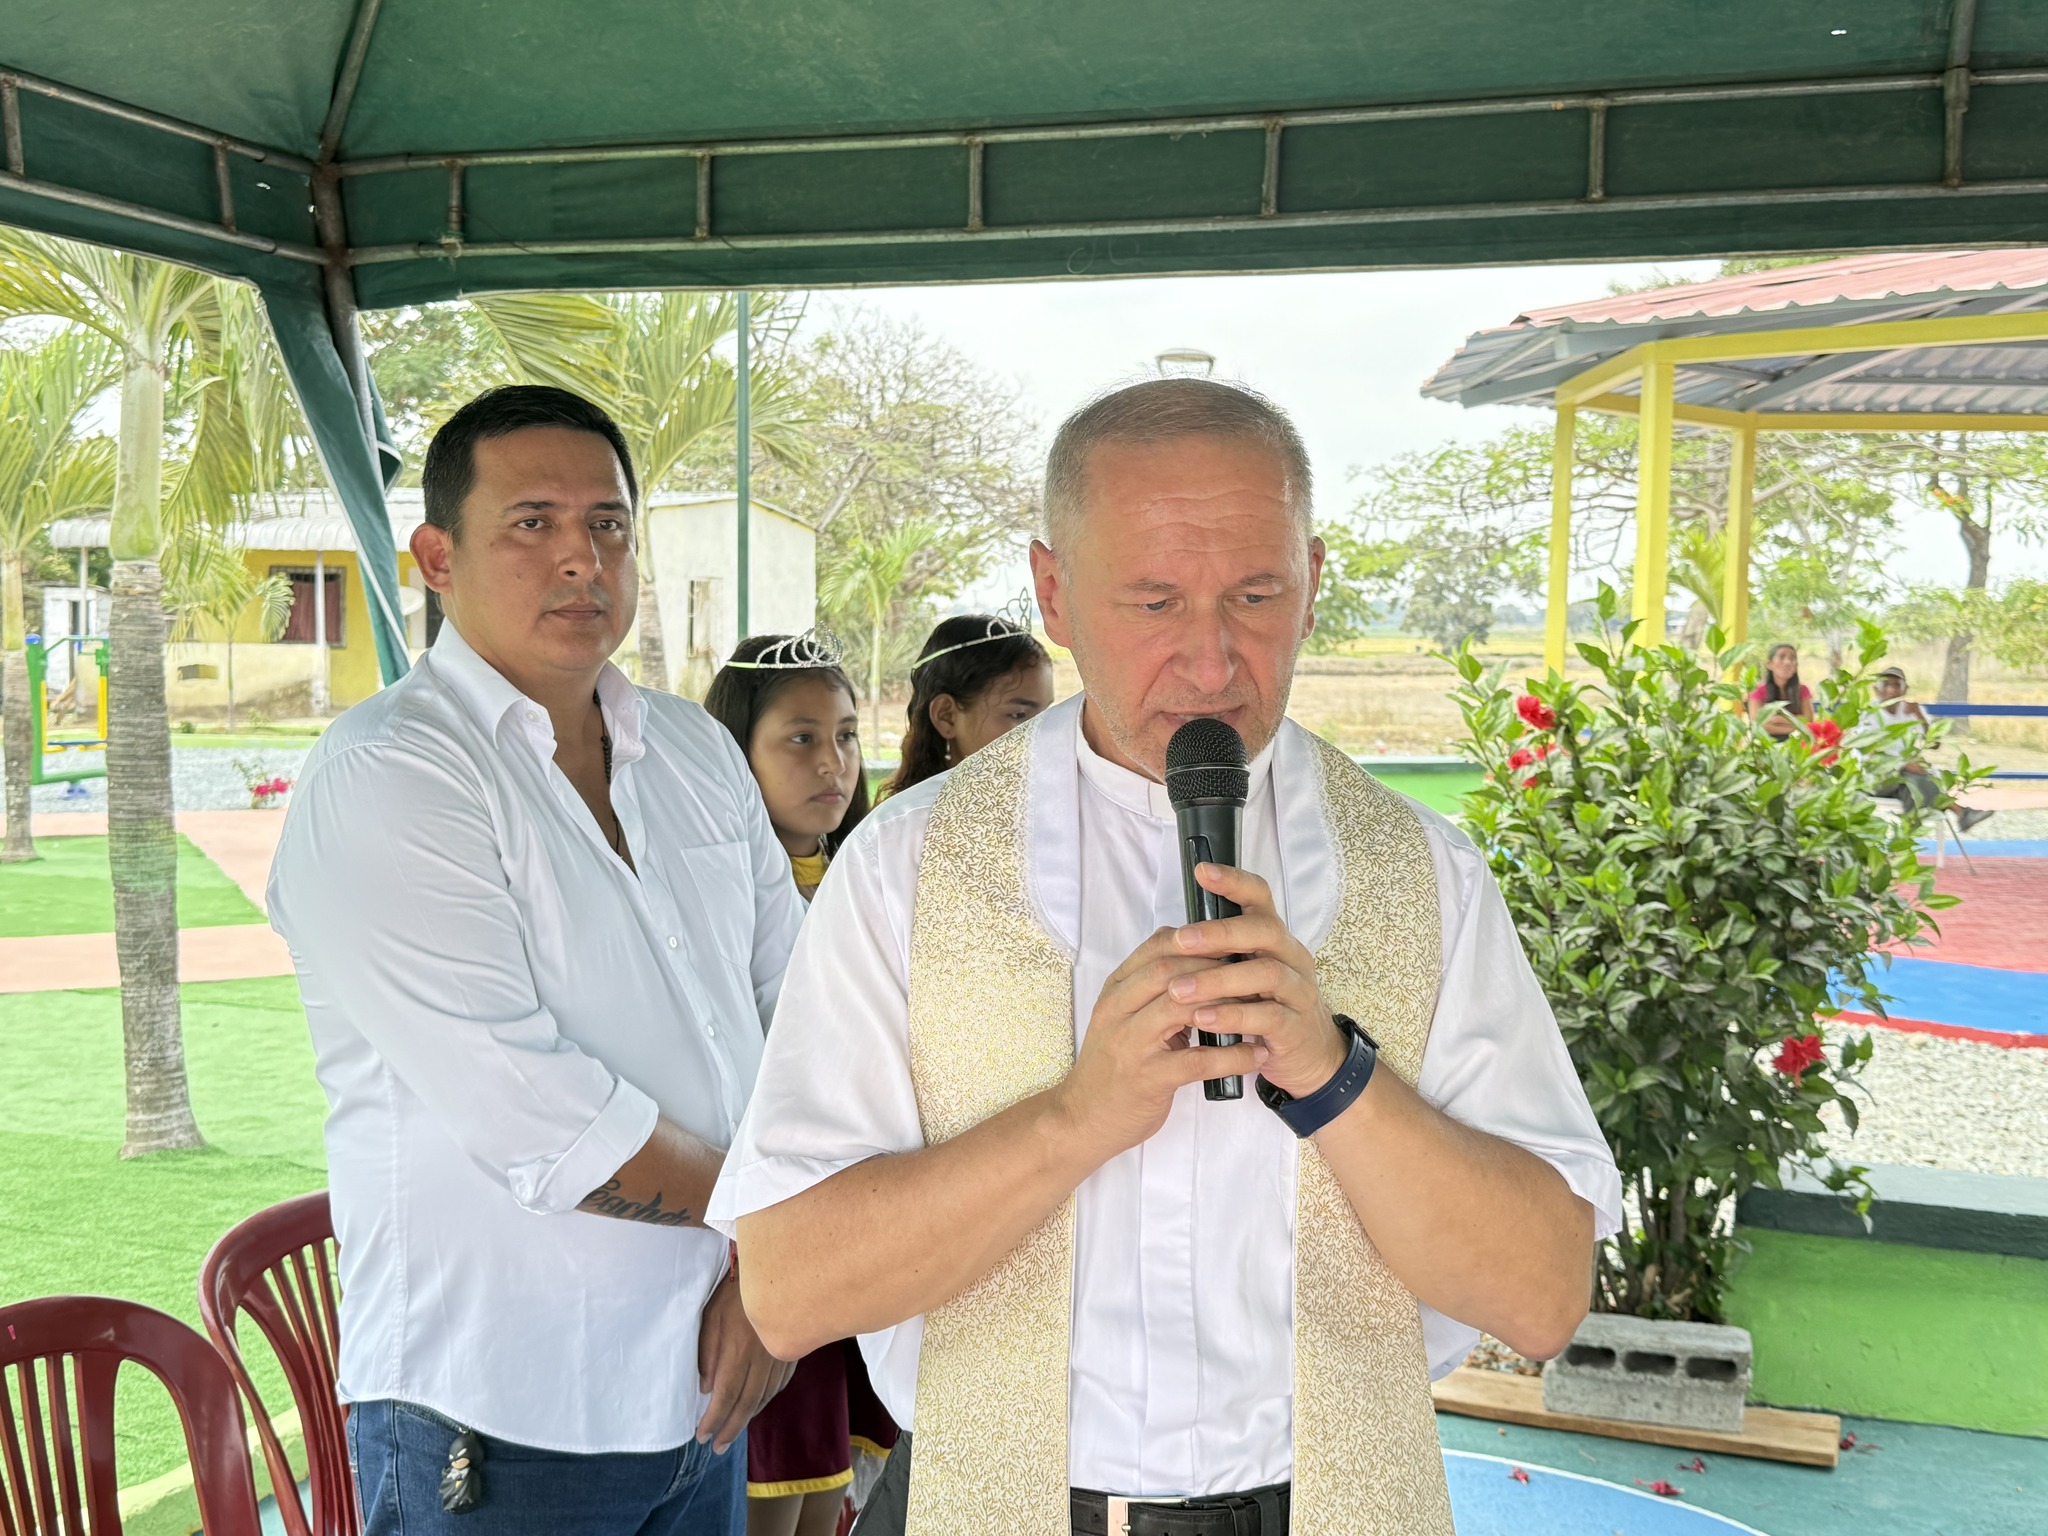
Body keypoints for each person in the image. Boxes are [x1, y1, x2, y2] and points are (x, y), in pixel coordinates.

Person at [709, 379, 1621, 1536]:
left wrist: (1334, 1076)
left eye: (1256, 595)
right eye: (1152, 602)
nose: (1210, 661)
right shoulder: (907, 867)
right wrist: (1075, 1120)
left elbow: (1542, 1301)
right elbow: (788, 1290)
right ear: (1053, 593)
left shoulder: (1417, 872)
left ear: (1312, 581)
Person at [269, 386, 800, 1536]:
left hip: (707, 1384)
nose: (580, 559)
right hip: (502, 1416)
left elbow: (798, 1020)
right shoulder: (392, 774)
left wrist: (770, 1281)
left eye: (607, 524)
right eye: (532, 523)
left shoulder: (694, 752)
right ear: (437, 559)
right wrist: (786, 1240)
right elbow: (538, 1120)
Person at [702, 634, 897, 1535]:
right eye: (801, 738)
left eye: (847, 735)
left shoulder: (874, 876)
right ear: (732, 753)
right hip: (763, 1236)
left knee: (829, 1491)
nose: (833, 763)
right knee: (773, 1487)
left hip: (855, 1228)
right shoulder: (719, 900)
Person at [881, 613, 1056, 798]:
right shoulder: (914, 814)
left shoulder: (1051, 802)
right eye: (1019, 715)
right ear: (947, 716)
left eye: (1047, 715)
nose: (1043, 735)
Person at [1874, 665, 1993, 831]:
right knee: (1916, 780)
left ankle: (1908, 835)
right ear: (1876, 689)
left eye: (1896, 685)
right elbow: (1868, 754)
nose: (1891, 690)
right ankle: (1960, 812)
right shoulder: (1869, 714)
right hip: (1879, 777)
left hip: (1906, 777)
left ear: (1905, 689)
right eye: (1886, 684)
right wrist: (1903, 764)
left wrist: (1919, 716)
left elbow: (1935, 744)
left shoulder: (1911, 710)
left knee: (1914, 785)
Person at [1748, 642, 1813, 738]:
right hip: (1768, 742)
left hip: (1798, 742)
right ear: (1769, 664)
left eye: (1792, 658)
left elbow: (1808, 721)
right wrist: (1796, 727)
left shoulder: (1803, 690)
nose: (1787, 662)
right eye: (1782, 657)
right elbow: (1757, 725)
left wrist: (1777, 720)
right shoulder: (1757, 690)